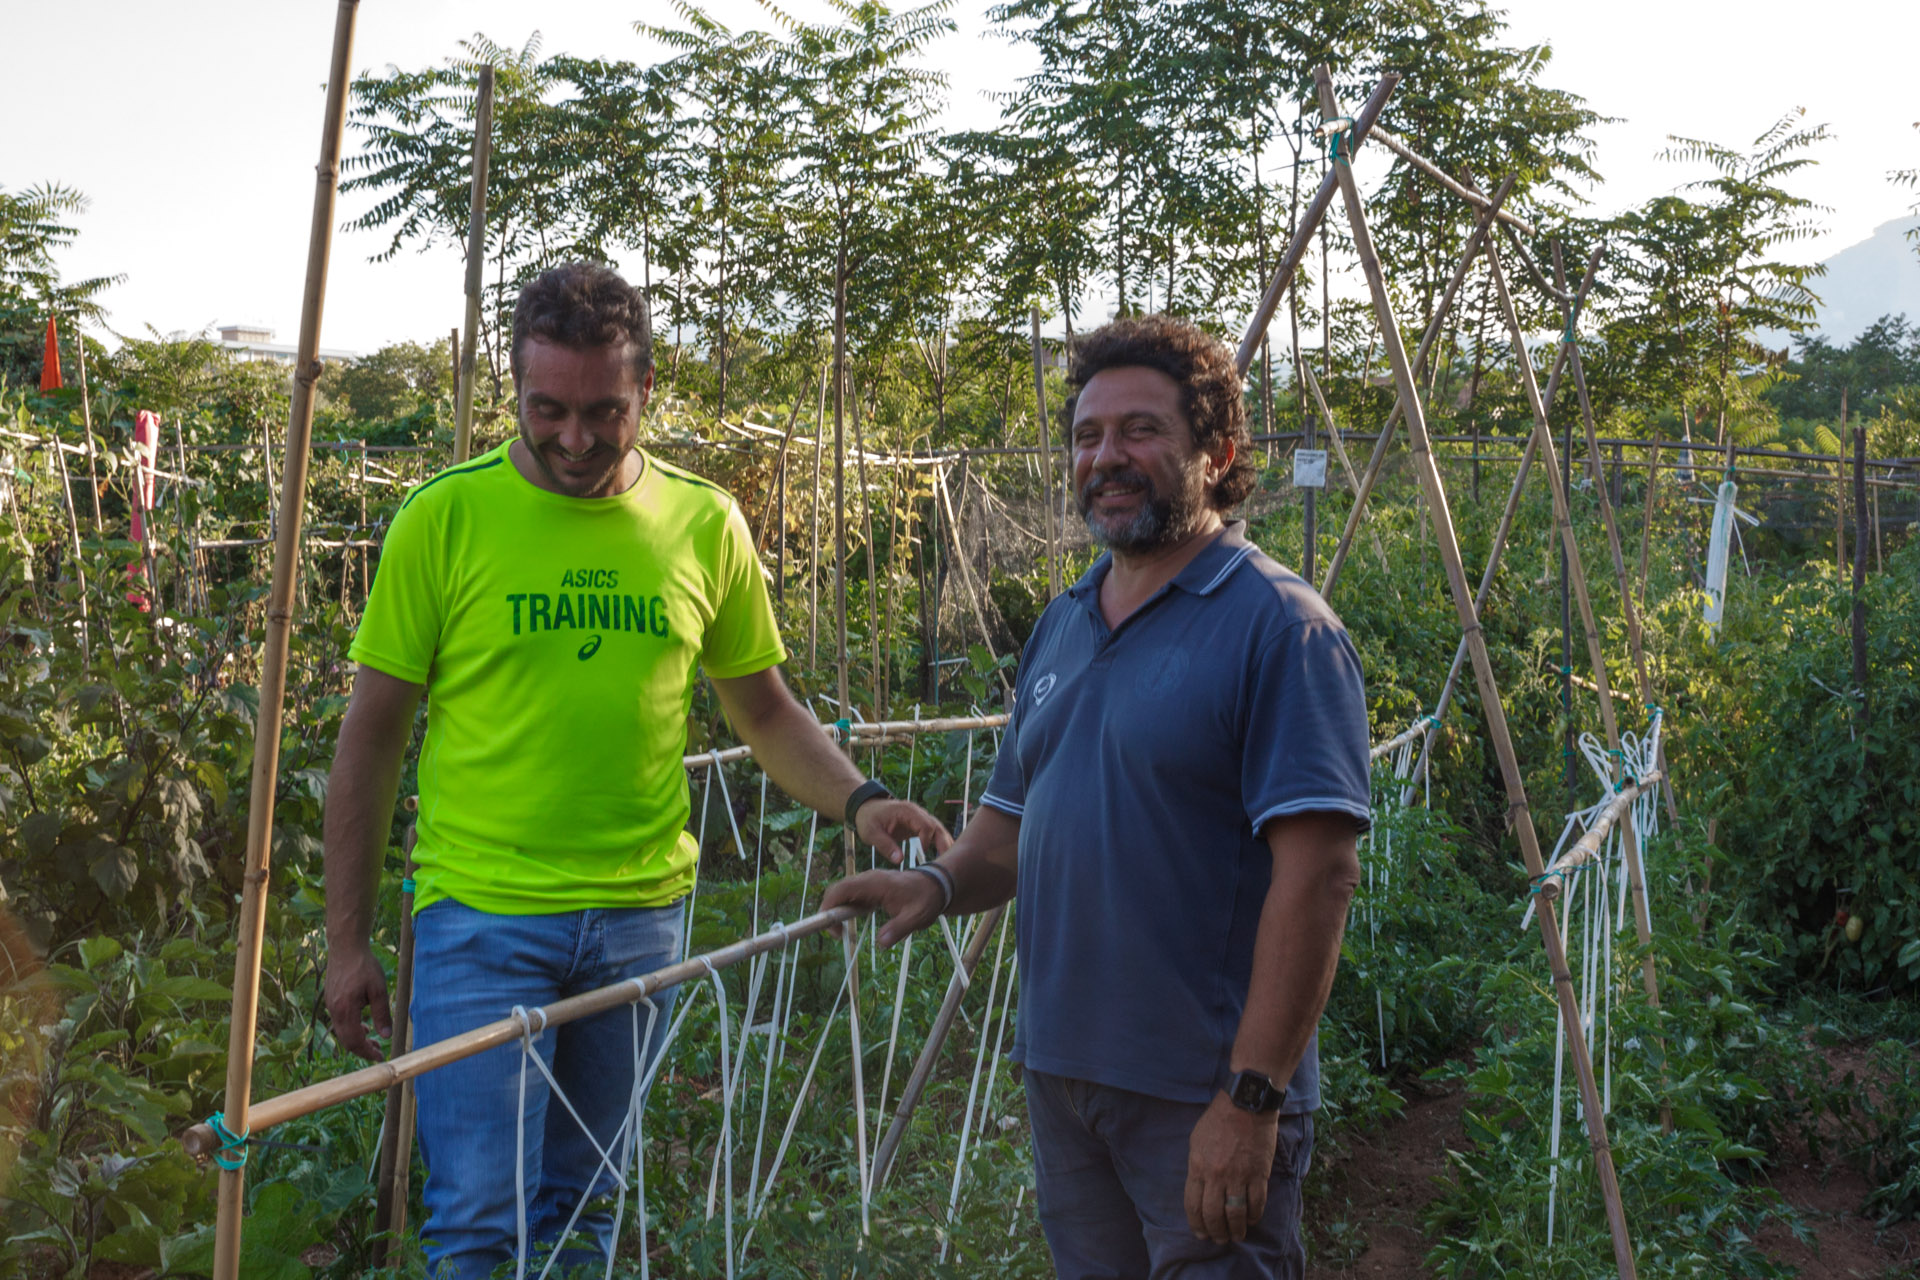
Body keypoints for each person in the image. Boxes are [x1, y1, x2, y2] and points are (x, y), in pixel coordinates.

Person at [322, 261, 949, 1280]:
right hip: (482, 919)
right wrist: (346, 938)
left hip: (639, 921)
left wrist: (863, 798)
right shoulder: (444, 519)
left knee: (588, 1207)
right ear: (515, 394)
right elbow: (372, 737)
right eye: (549, 410)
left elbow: (764, 706)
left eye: (604, 411)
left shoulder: (703, 523)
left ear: (647, 391)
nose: (575, 437)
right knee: (481, 1222)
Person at [824, 314, 1371, 1279]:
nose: (1107, 457)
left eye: (1141, 431)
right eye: (1087, 435)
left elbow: (1319, 876)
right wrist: (940, 886)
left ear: (1219, 454)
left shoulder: (1280, 629)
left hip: (1200, 1091)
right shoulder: (1066, 622)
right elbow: (1015, 823)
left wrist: (1251, 1100)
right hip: (1066, 1079)